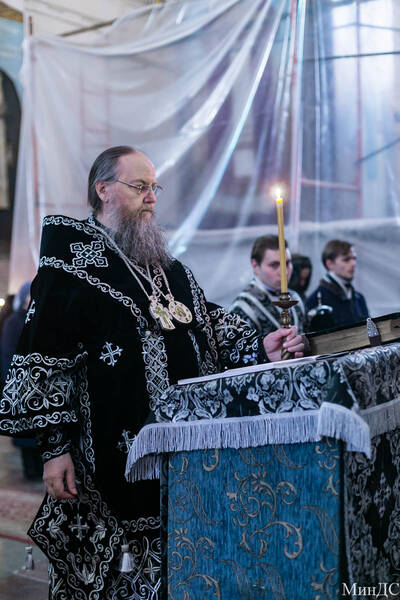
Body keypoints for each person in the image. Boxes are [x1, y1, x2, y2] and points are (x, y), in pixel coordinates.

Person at [0, 146, 304, 599]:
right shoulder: (71, 263)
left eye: (154, 187)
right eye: (139, 186)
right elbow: (45, 355)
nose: (151, 198)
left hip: (180, 454)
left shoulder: (165, 266)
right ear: (103, 190)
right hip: (106, 456)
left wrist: (260, 345)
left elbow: (206, 321)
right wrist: (54, 448)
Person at [1, 281, 42, 480]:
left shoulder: (38, 318)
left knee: (38, 428)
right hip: (21, 382)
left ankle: (38, 468)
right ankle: (30, 469)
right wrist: (14, 378)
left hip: (37, 383)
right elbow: (8, 353)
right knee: (25, 428)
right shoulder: (14, 321)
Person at [230, 235, 306, 336]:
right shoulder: (242, 307)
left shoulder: (295, 298)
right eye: (274, 265)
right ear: (255, 266)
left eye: (287, 263)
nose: (284, 272)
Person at [306, 239, 369, 328]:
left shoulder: (359, 298)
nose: (353, 264)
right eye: (346, 259)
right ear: (329, 264)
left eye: (354, 259)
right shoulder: (316, 301)